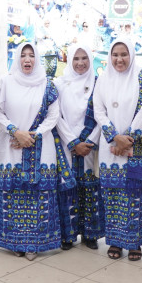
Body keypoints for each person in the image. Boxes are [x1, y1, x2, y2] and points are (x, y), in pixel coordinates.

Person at [0, 42, 64, 259]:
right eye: (23, 55)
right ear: (17, 59)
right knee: (12, 193)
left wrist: (32, 137)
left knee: (36, 196)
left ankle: (33, 243)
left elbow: (53, 116)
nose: (27, 59)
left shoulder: (47, 85)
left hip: (40, 147)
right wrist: (15, 132)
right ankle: (12, 241)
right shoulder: (6, 82)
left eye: (31, 55)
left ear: (37, 59)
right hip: (9, 147)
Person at [94, 38, 142, 261]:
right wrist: (114, 137)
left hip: (135, 145)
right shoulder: (103, 78)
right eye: (115, 55)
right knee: (112, 196)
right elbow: (98, 110)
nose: (119, 59)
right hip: (110, 147)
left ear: (132, 55)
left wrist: (127, 139)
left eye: (124, 54)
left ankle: (135, 242)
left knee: (135, 195)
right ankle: (116, 242)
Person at [53, 43, 104, 250]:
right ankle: (68, 234)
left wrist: (89, 142)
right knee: (67, 187)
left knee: (89, 185)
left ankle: (89, 234)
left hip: (90, 145)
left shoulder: (98, 83)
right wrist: (73, 142)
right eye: (76, 58)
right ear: (69, 60)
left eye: (84, 59)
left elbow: (102, 115)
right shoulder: (59, 84)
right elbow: (56, 115)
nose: (80, 63)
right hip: (67, 144)